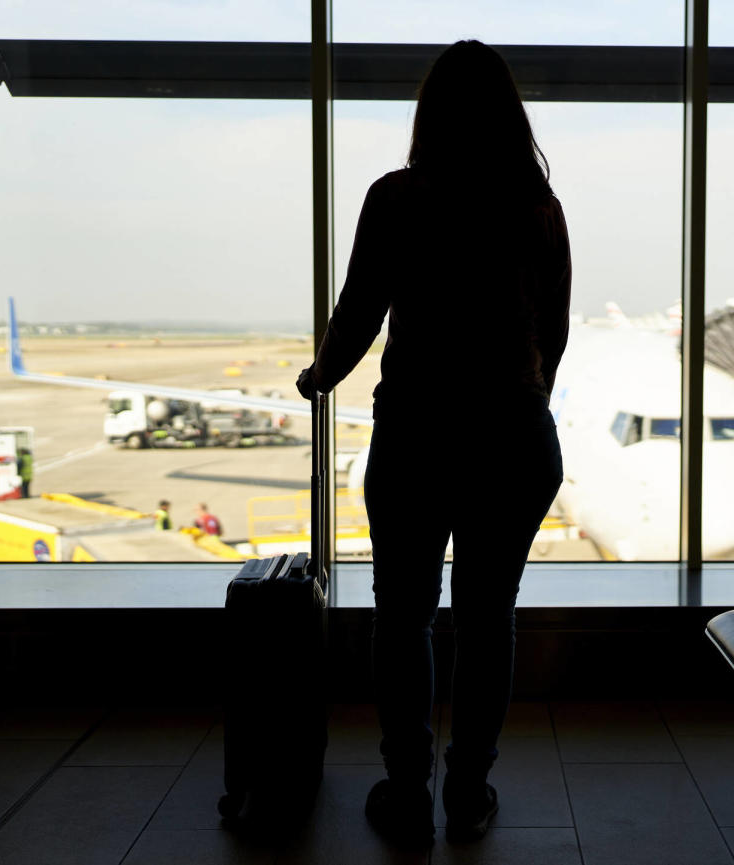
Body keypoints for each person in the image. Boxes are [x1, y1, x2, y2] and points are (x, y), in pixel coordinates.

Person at [296, 39, 569, 848]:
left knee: (403, 615)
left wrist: (319, 377)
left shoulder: (397, 198)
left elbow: (358, 314)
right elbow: (551, 331)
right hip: (514, 438)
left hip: (416, 434)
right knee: (488, 621)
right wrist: (521, 400)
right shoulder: (535, 204)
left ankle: (407, 788)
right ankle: (469, 789)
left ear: (429, 114)